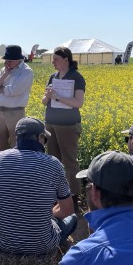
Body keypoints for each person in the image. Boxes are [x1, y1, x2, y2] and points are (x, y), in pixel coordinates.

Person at [0, 117, 77, 255]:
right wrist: (47, 214)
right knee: (73, 219)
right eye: (44, 139)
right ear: (40, 137)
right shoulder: (53, 164)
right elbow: (67, 210)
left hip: (1, 242)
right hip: (42, 245)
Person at [42, 46, 86, 207]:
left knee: (69, 162)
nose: (53, 62)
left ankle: (73, 195)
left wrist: (58, 97)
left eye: (56, 59)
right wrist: (47, 96)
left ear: (66, 60)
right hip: (51, 124)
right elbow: (44, 101)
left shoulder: (77, 77)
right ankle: (56, 194)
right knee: (53, 160)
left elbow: (78, 102)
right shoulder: (53, 77)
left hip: (68, 125)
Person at [0, 45, 34, 152]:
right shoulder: (3, 70)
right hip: (0, 111)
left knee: (17, 145)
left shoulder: (26, 71)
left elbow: (15, 91)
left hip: (16, 112)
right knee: (0, 144)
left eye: (10, 61)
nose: (7, 63)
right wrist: (5, 74)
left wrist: (0, 88)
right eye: (6, 60)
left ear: (19, 60)